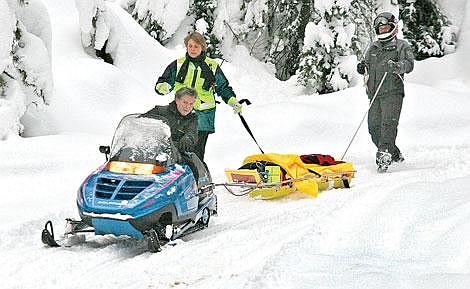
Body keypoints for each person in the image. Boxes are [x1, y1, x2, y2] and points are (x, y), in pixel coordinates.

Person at [154, 31, 241, 162]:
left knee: (196, 154)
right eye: (190, 46)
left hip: (203, 118)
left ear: (202, 48)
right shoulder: (178, 64)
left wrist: (233, 101)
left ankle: (197, 179)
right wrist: (163, 87)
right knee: (175, 151)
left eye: (196, 46)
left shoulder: (212, 66)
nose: (193, 49)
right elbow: (163, 82)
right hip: (180, 115)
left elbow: (223, 87)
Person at [356, 11, 414, 172]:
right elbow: (366, 64)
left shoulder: (401, 45)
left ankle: (384, 154)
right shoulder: (373, 47)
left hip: (393, 92)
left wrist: (396, 66)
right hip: (374, 94)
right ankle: (395, 154)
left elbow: (409, 64)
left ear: (393, 27)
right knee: (373, 127)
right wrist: (362, 68)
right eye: (380, 28)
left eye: (385, 27)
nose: (382, 30)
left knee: (388, 125)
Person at [141, 87, 198, 155]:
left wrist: (188, 138)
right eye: (185, 102)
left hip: (176, 154)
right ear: (177, 100)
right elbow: (140, 123)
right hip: (151, 150)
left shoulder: (192, 118)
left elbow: (192, 132)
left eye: (191, 104)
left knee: (196, 161)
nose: (188, 106)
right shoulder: (159, 111)